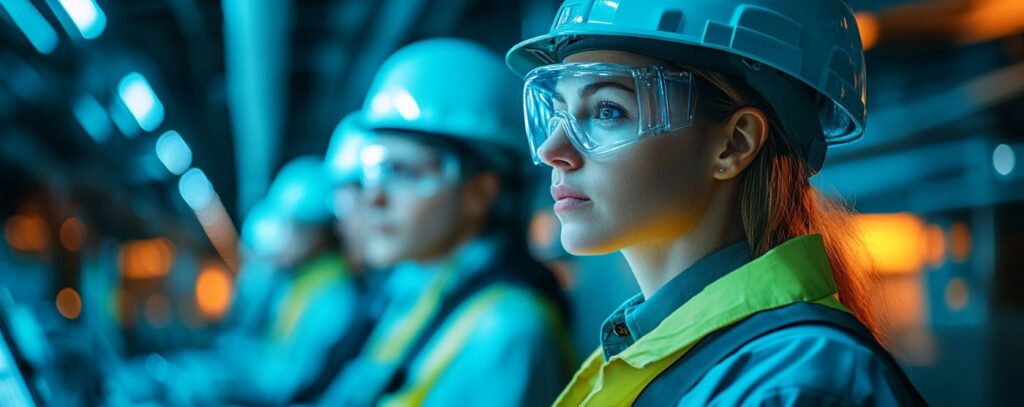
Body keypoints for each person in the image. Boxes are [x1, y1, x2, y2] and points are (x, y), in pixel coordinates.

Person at [504, 1, 928, 405]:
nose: (552, 149)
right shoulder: (655, 357)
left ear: (733, 145)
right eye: (557, 112)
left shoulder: (795, 383)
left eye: (608, 111)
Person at [317, 38, 573, 407]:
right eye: (374, 171)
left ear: (479, 192)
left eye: (404, 172)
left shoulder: (507, 331)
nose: (374, 198)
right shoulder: (415, 294)